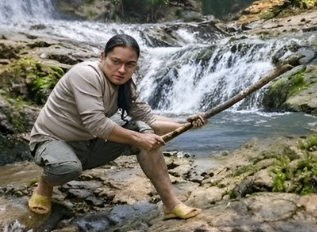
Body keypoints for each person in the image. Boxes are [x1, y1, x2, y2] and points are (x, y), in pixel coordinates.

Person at [26, 33, 206, 220]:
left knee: (144, 129)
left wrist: (186, 124)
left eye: (129, 64)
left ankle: (171, 205)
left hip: (89, 144)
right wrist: (139, 138)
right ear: (102, 57)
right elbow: (96, 124)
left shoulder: (126, 86)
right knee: (68, 168)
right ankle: (45, 185)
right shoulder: (86, 74)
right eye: (115, 61)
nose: (122, 70)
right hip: (53, 141)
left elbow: (149, 119)